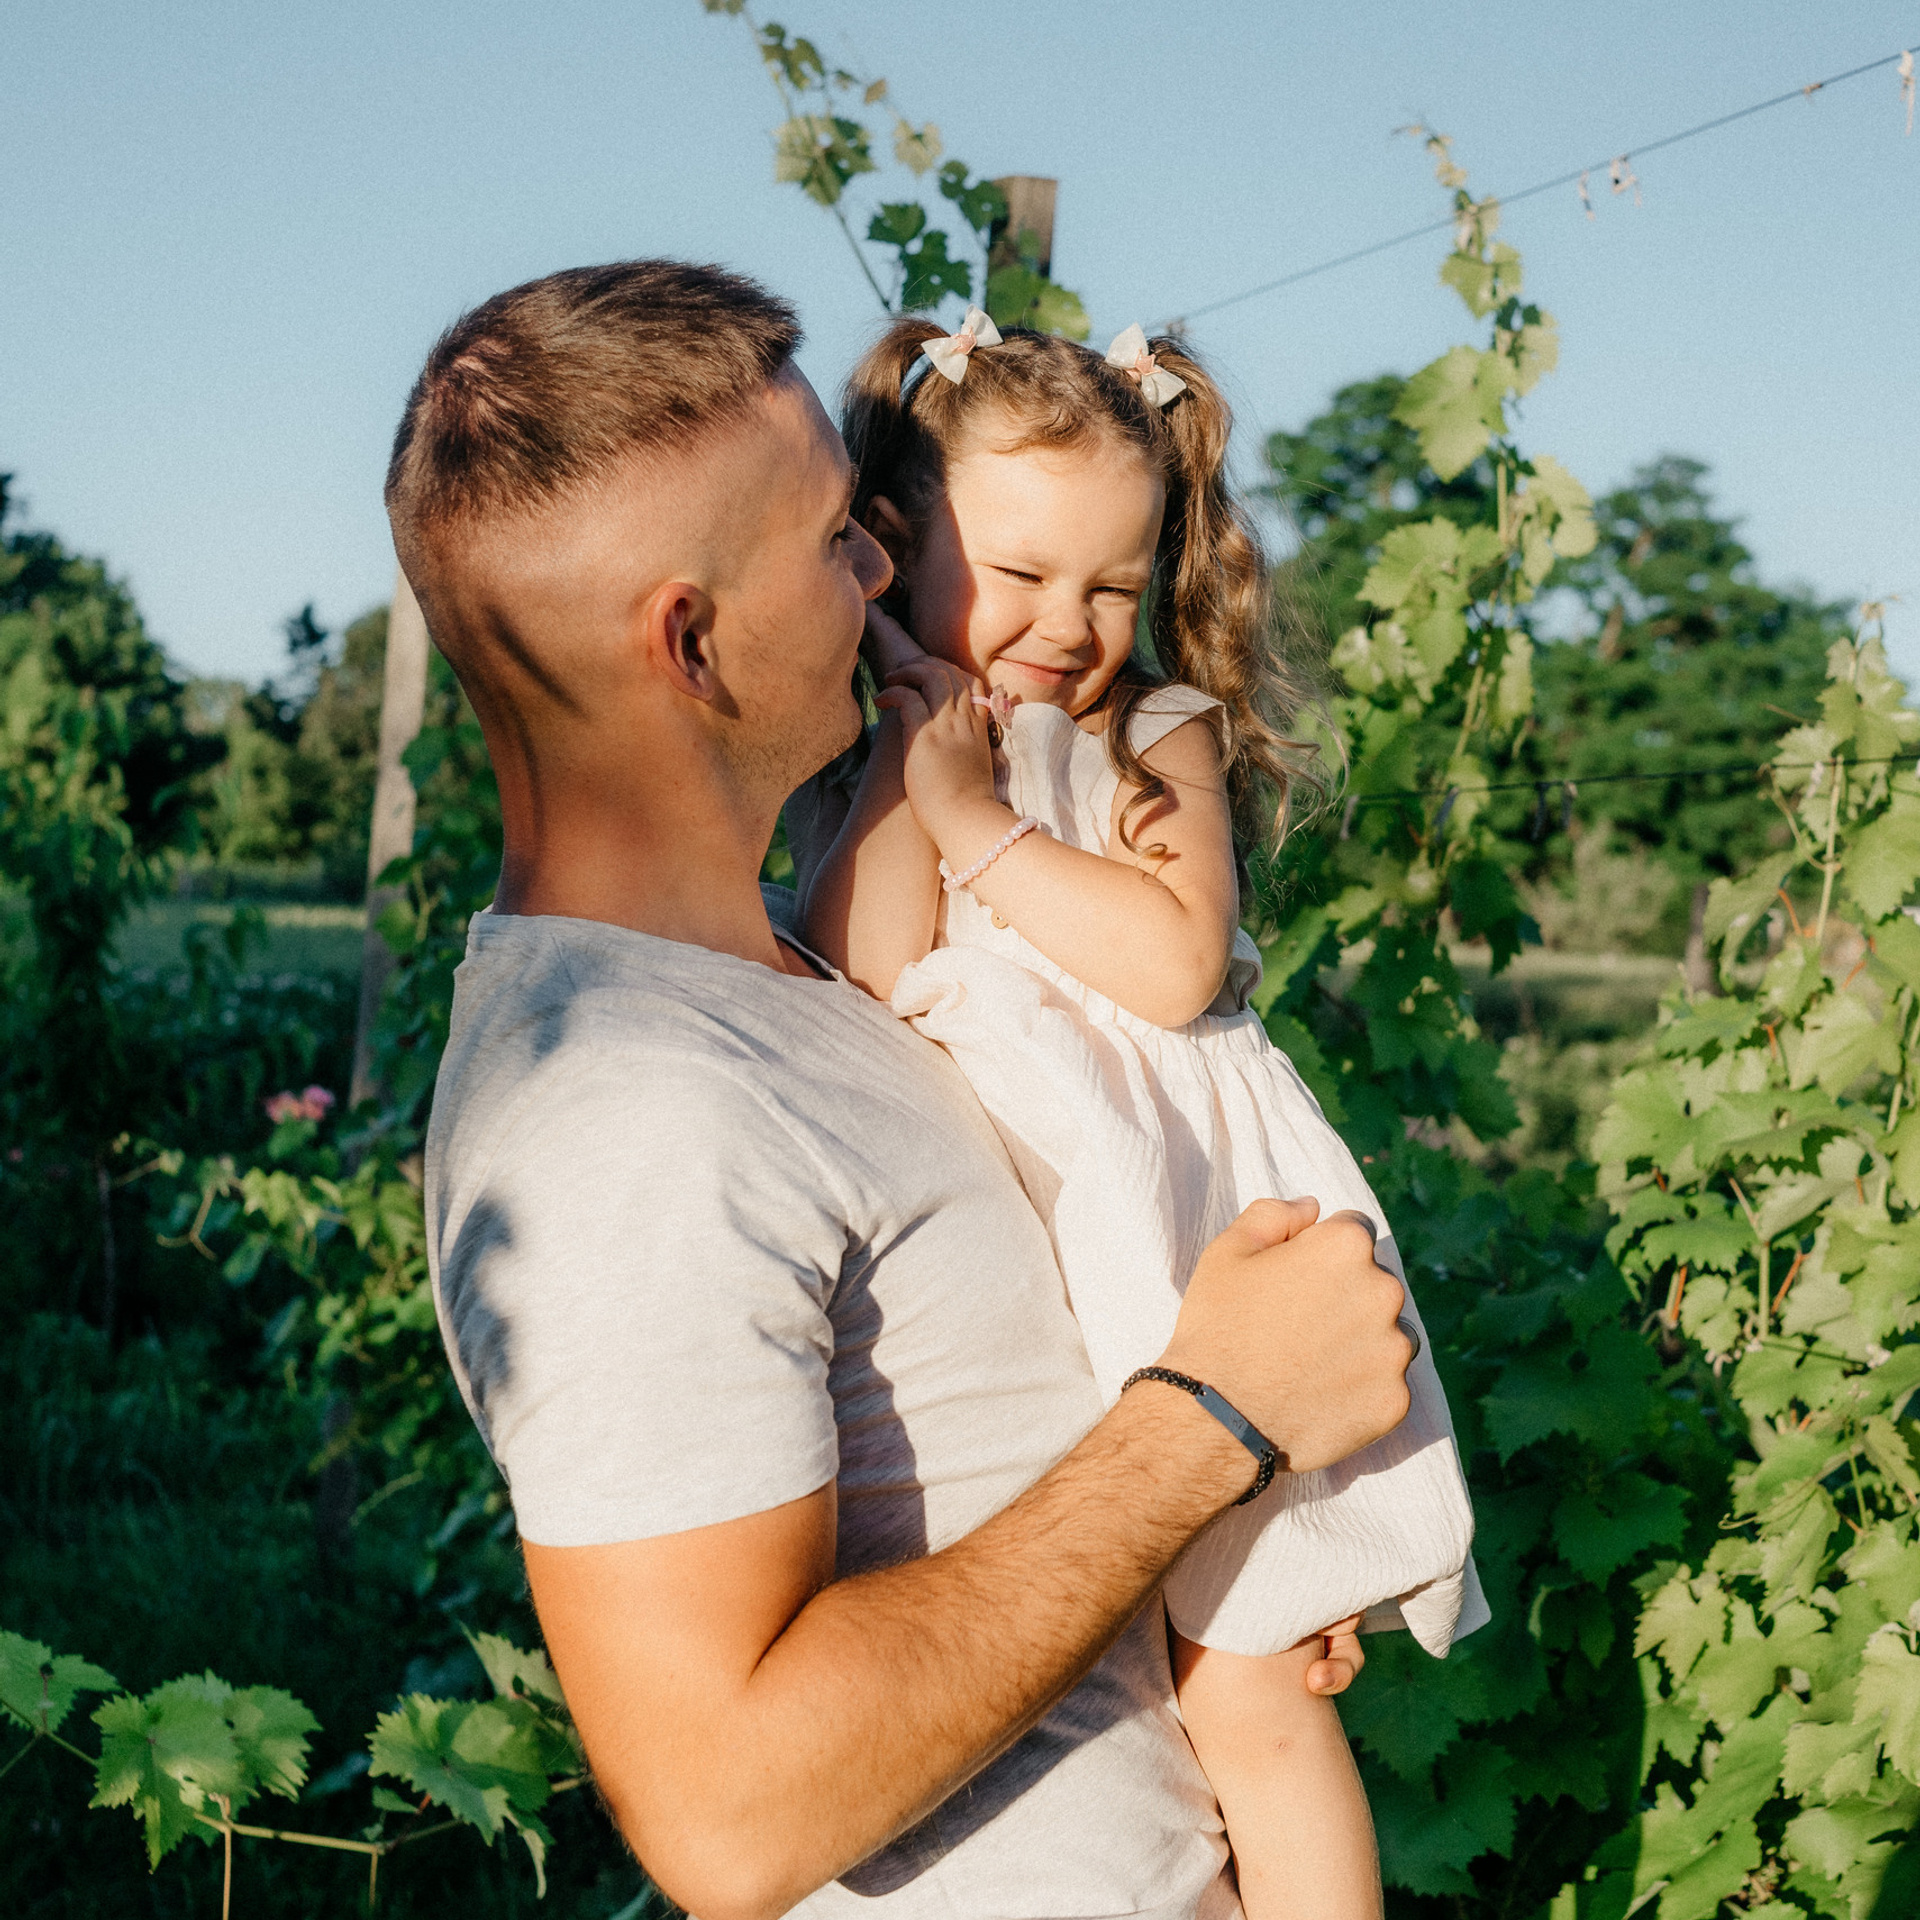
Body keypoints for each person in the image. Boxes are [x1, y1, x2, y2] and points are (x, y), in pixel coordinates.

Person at [387, 258, 1414, 1920]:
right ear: (689, 639)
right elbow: (727, 1817)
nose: (879, 564)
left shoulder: (807, 983)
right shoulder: (624, 1111)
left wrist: (1246, 1538)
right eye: (834, 538)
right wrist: (1217, 1419)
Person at [795, 311, 1487, 1920]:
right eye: (1020, 575)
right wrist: (910, 735)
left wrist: (975, 817)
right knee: (1101, 1645)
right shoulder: (882, 753)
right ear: (890, 550)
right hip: (1058, 1296)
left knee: (1249, 1683)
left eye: (1112, 587)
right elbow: (862, 967)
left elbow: (1175, 965)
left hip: (1193, 1246)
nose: (1068, 624)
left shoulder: (1149, 733)